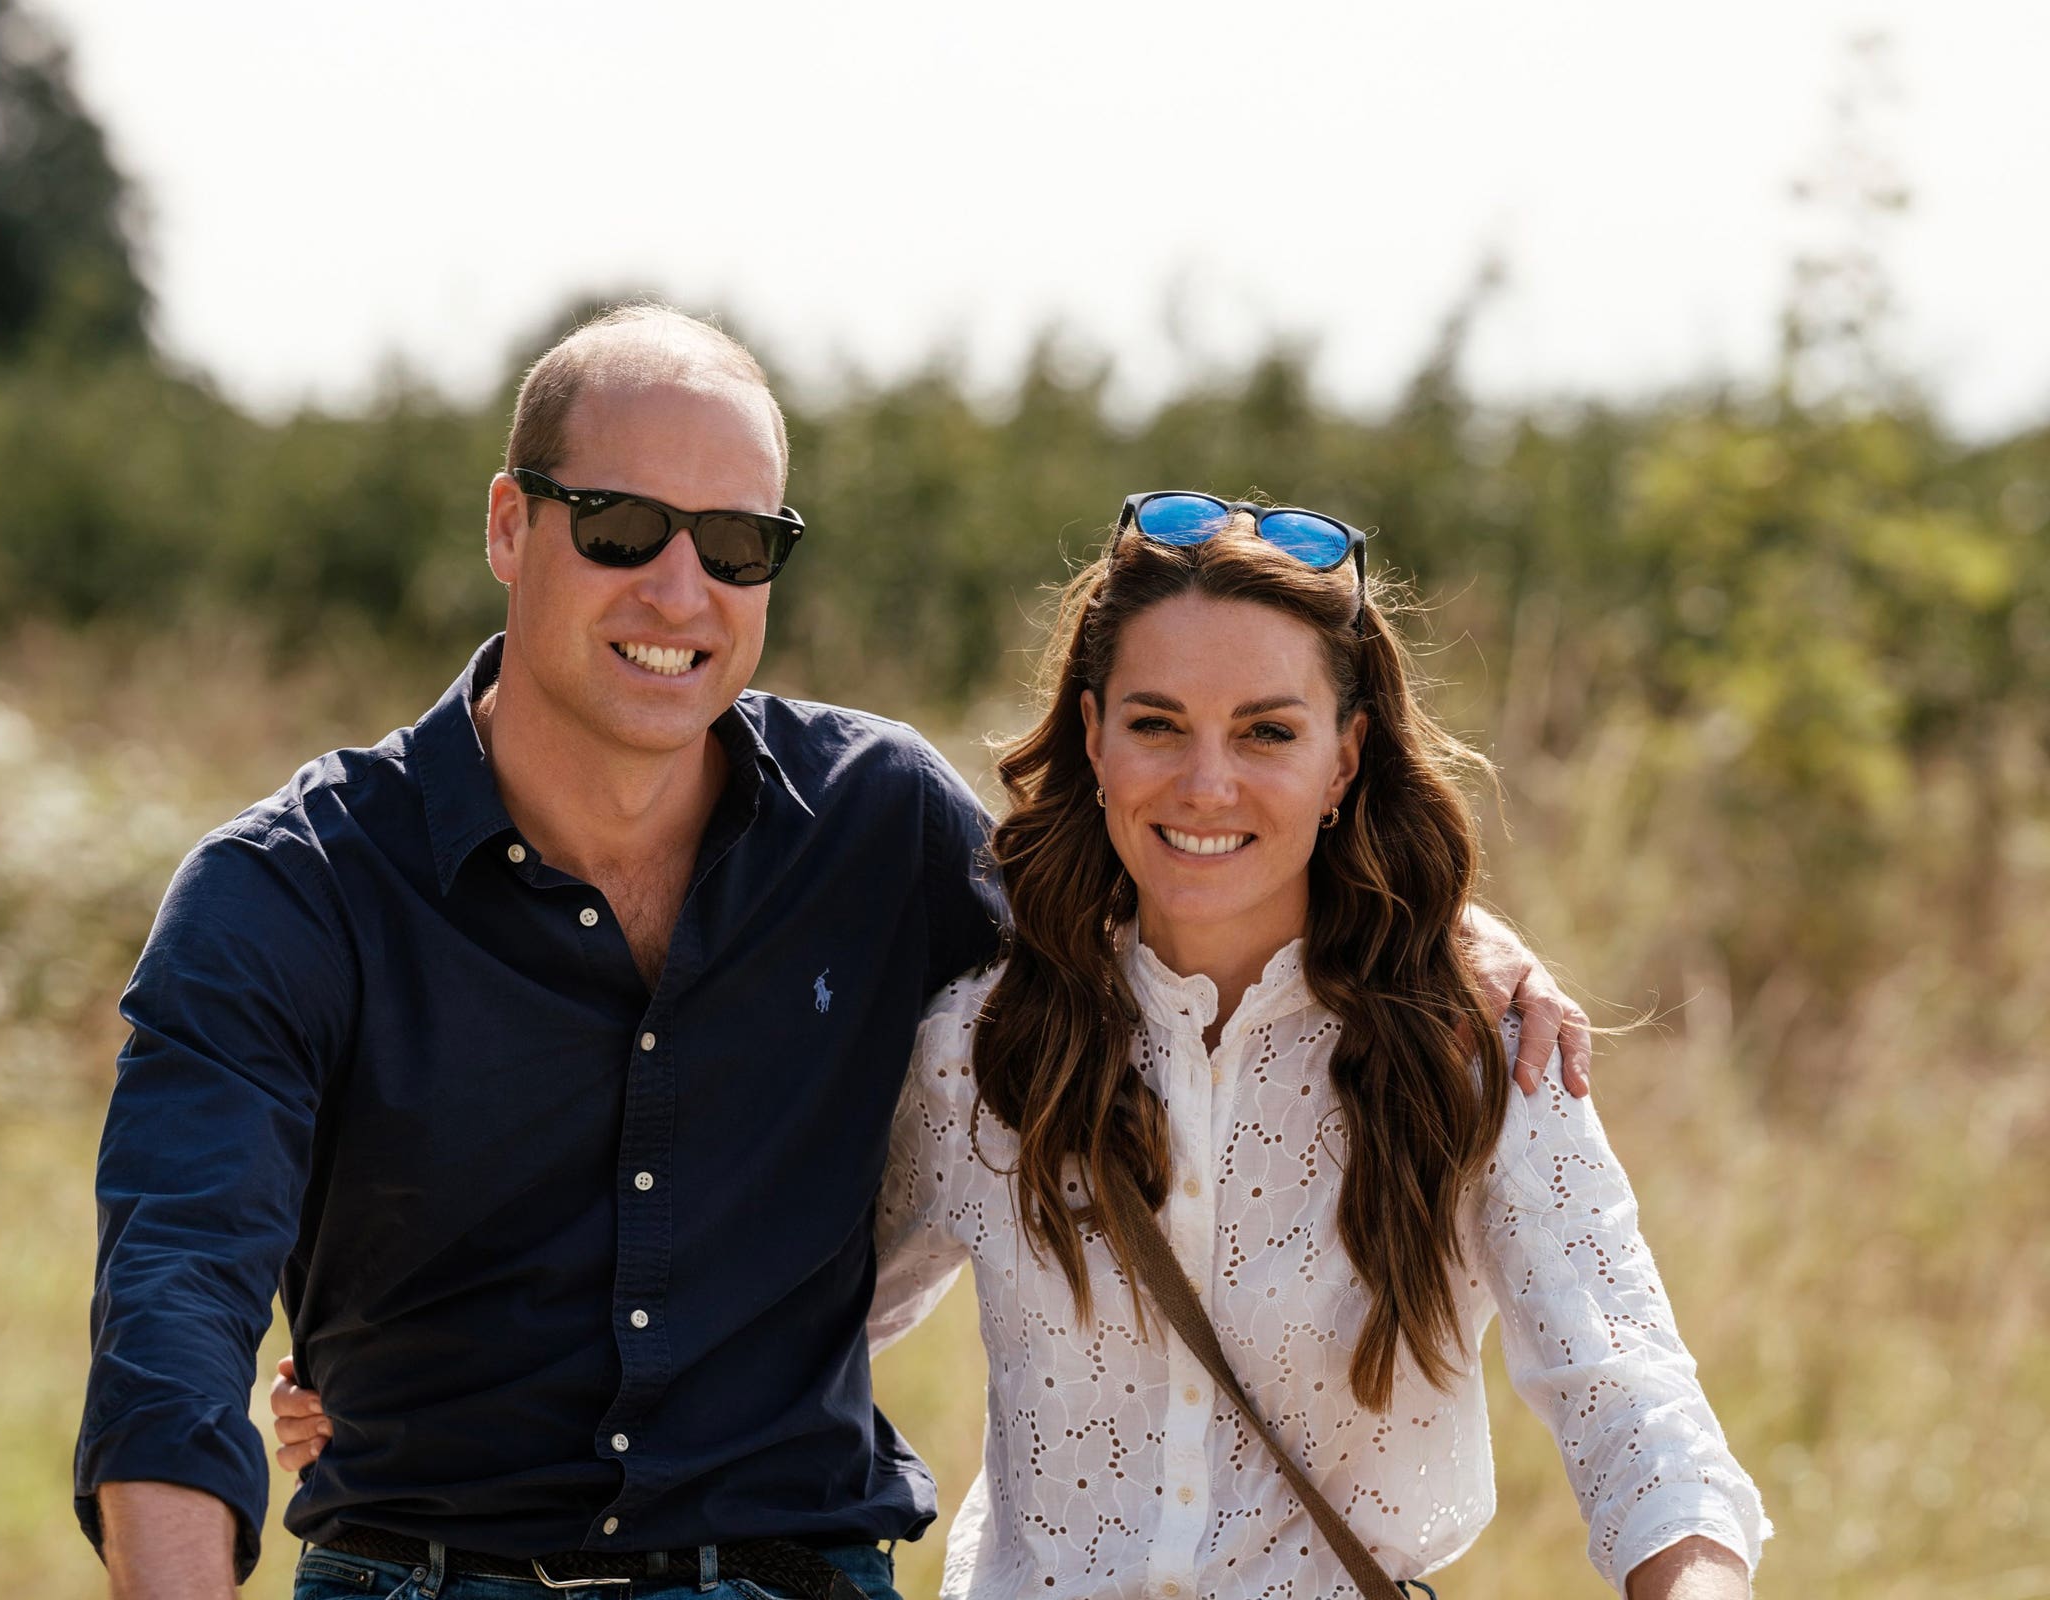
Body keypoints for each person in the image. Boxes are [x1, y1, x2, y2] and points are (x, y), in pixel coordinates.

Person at [80, 304, 1588, 1600]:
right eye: (619, 528)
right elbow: (172, 1313)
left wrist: (1447, 933)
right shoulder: (287, 898)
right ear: (505, 523)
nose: (680, 592)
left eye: (737, 545)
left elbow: (1173, 908)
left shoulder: (878, 830)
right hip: (421, 1572)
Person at [285, 494, 1769, 1597]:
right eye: (1156, 723)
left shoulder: (1475, 1054)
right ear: (1093, 734)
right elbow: (771, 1308)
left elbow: (1627, 1392)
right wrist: (439, 1382)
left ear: (1346, 757)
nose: (1206, 782)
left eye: (1266, 732)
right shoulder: (984, 1045)